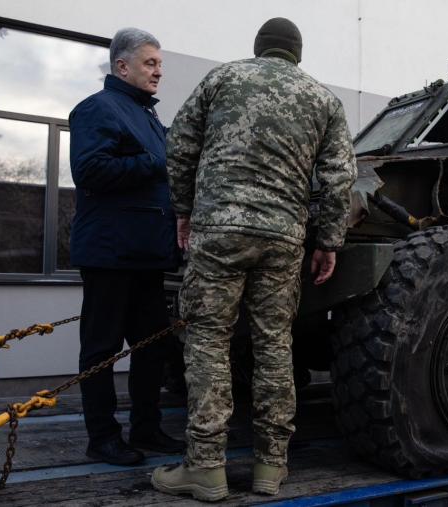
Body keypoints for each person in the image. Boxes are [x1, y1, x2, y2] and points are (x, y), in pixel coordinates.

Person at [151, 17, 357, 501]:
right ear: (297, 55)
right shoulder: (324, 99)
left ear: (259, 48)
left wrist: (184, 210)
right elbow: (339, 178)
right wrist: (327, 241)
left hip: (218, 229)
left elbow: (179, 146)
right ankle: (270, 466)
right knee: (274, 344)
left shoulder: (223, 78)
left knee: (206, 340)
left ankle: (205, 468)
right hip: (283, 237)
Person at [69, 27, 184, 466]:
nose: (159, 72)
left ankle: (147, 429)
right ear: (122, 66)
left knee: (152, 347)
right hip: (110, 254)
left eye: (160, 64)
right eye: (150, 63)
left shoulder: (149, 117)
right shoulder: (97, 109)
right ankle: (102, 438)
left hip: (148, 257)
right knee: (100, 350)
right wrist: (158, 160)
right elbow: (91, 170)